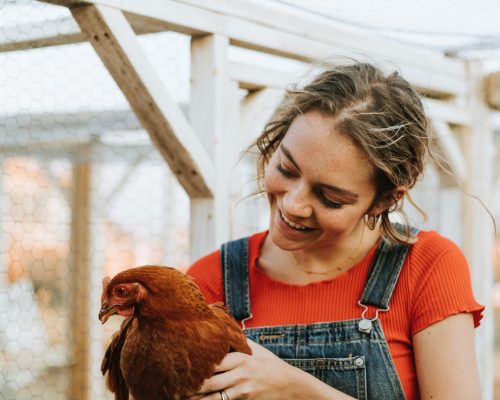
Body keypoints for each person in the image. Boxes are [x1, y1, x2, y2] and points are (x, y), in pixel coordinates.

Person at [187, 63, 484, 400]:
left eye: (330, 198)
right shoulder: (210, 281)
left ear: (384, 200)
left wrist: (295, 388)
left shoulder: (427, 267)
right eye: (286, 168)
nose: (294, 205)